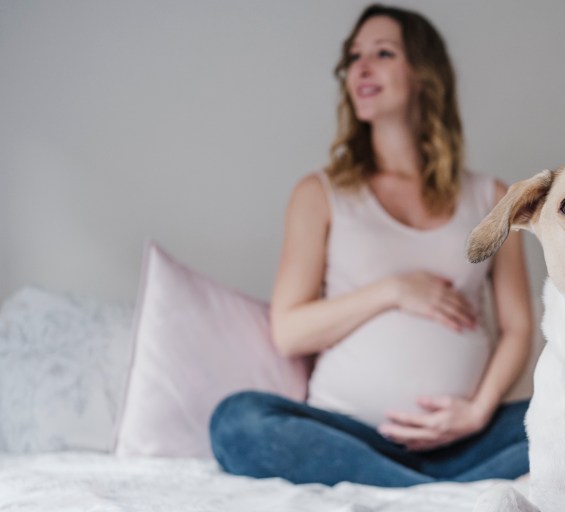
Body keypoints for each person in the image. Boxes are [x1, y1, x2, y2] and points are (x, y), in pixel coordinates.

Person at [209, 4, 533, 487]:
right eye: (353, 56)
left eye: (382, 53)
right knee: (236, 422)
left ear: (425, 75)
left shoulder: (492, 197)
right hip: (348, 436)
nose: (360, 67)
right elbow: (289, 331)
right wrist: (394, 290)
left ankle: (410, 488)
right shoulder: (321, 194)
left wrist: (476, 411)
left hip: (464, 440)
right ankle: (427, 495)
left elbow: (518, 327)